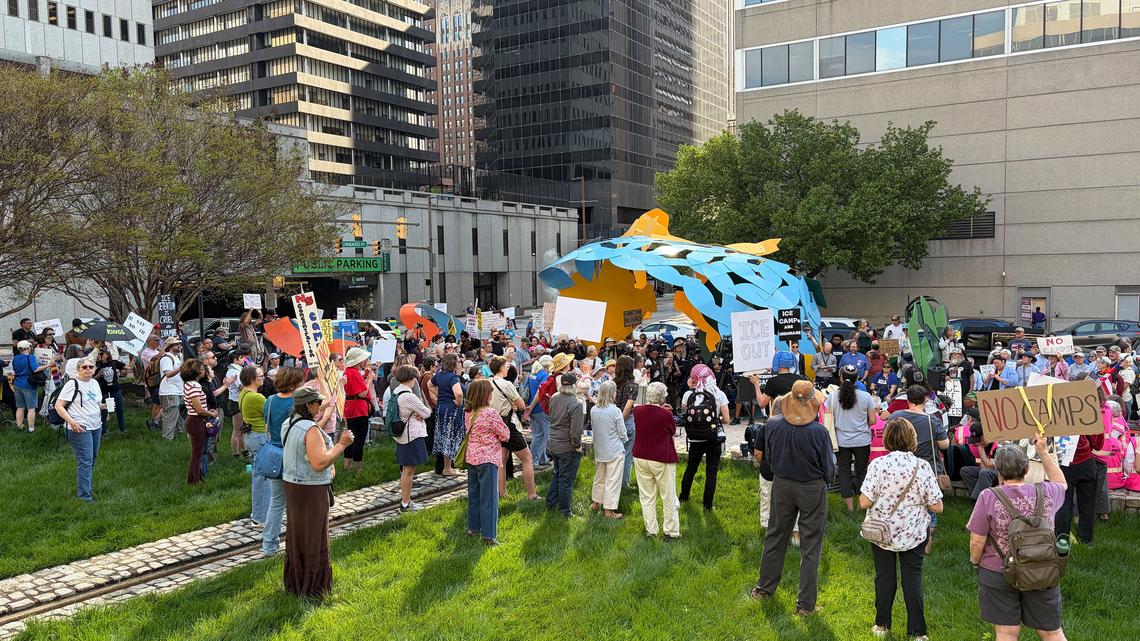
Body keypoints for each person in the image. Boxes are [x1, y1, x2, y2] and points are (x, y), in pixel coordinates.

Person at [967, 439, 1067, 641]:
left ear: (998, 470)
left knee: (1006, 633)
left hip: (999, 570)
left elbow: (977, 541)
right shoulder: (1046, 492)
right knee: (1051, 632)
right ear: (1027, 467)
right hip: (1042, 567)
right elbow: (1061, 483)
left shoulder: (988, 496)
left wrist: (976, 562)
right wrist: (1043, 452)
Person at [751, 380, 835, 615]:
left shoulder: (773, 424)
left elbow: (766, 456)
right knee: (810, 546)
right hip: (810, 488)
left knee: (775, 536)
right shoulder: (819, 432)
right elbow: (829, 468)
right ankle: (805, 605)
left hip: (782, 485)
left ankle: (764, 589)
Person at [859, 418, 944, 639]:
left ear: (887, 438)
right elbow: (937, 505)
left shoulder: (877, 465)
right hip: (914, 532)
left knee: (884, 577)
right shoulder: (922, 466)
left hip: (881, 532)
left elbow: (864, 502)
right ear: (912, 439)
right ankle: (917, 632)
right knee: (912, 579)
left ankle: (881, 625)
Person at [282, 387, 354, 598]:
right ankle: (313, 587)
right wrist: (341, 445)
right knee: (314, 535)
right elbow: (319, 462)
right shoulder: (309, 429)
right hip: (310, 489)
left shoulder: (289, 423)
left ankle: (296, 583)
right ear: (308, 405)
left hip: (293, 486)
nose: (319, 405)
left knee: (298, 534)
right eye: (316, 402)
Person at [889, 385, 949, 553]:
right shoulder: (933, 421)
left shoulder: (896, 416)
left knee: (902, 501)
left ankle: (902, 535)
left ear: (907, 400)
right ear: (926, 400)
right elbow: (944, 444)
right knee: (930, 505)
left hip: (900, 467)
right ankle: (927, 544)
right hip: (927, 468)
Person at [261, 367, 307, 556]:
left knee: (277, 501)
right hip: (292, 453)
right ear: (295, 384)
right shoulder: (296, 403)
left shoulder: (270, 400)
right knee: (298, 501)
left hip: (274, 453)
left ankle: (269, 544)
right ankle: (300, 541)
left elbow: (267, 421)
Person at [825, 364, 879, 512]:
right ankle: (862, 506)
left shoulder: (833, 396)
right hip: (862, 440)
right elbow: (873, 421)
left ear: (841, 378)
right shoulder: (866, 396)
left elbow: (829, 415)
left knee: (844, 472)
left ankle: (849, 508)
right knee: (862, 471)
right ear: (857, 379)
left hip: (841, 441)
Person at [464, 379, 511, 545]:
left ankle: (473, 528)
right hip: (488, 458)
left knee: (474, 494)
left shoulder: (469, 412)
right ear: (486, 395)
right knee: (489, 497)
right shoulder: (490, 413)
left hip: (471, 457)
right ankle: (489, 535)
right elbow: (505, 435)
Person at [487, 356, 540, 500]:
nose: (508, 368)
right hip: (508, 425)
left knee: (501, 460)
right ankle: (532, 494)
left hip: (493, 424)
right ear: (501, 368)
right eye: (506, 366)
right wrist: (514, 405)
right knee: (527, 458)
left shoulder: (486, 382)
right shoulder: (506, 384)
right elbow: (521, 405)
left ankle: (501, 493)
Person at [633, 382, 680, 539]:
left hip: (640, 455)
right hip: (661, 457)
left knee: (646, 495)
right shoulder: (666, 415)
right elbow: (672, 431)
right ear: (662, 398)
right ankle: (671, 531)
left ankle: (651, 530)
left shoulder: (638, 411)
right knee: (668, 495)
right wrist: (662, 409)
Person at [54, 358, 105, 502]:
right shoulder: (72, 384)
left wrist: (104, 406)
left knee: (92, 459)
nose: (88, 369)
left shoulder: (95, 383)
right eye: (84, 367)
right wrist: (72, 423)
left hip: (96, 426)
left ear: (95, 369)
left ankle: (85, 486)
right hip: (79, 427)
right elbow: (59, 406)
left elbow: (95, 403)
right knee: (86, 461)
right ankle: (85, 497)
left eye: (91, 366)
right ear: (78, 370)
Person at [391, 365, 432, 512]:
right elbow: (427, 413)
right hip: (411, 435)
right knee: (409, 471)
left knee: (406, 470)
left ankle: (406, 501)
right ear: (411, 378)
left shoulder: (397, 391)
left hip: (403, 435)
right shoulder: (409, 396)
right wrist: (420, 411)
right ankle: (405, 503)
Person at [546, 373, 585, 517]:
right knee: (566, 480)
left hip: (554, 443)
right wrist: (577, 446)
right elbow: (576, 432)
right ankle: (565, 511)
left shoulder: (554, 398)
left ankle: (551, 504)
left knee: (557, 474)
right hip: (567, 446)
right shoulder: (576, 404)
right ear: (575, 386)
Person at [1056, 429, 1104, 546]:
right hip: (1085, 461)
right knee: (1087, 505)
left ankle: (1062, 541)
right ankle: (1086, 540)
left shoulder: (1055, 413)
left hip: (1063, 463)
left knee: (1063, 505)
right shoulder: (1089, 413)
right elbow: (1098, 445)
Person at [590, 380, 629, 519]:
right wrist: (624, 439)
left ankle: (595, 502)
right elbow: (622, 432)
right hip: (614, 449)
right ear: (612, 394)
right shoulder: (615, 410)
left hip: (600, 448)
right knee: (613, 480)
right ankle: (609, 510)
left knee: (599, 477)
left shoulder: (594, 409)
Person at [181, 359, 216, 485]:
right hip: (196, 420)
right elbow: (199, 409)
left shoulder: (188, 384)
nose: (203, 370)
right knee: (197, 453)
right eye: (201, 368)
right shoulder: (195, 386)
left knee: (197, 451)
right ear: (196, 371)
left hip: (193, 420)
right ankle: (194, 480)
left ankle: (197, 477)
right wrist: (211, 413)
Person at [431, 353, 466, 476]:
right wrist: (458, 402)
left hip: (441, 408)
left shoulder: (439, 375)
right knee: (450, 436)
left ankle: (444, 466)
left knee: (442, 435)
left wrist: (439, 394)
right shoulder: (453, 377)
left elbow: (429, 384)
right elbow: (459, 393)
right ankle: (447, 468)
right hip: (451, 410)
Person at [341, 347, 374, 473]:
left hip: (350, 407)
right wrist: (369, 380)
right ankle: (358, 470)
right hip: (358, 409)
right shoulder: (353, 373)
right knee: (359, 440)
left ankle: (346, 466)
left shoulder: (348, 371)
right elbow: (362, 393)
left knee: (350, 438)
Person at [12, 340, 48, 433]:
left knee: (20, 407)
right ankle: (31, 428)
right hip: (28, 384)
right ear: (28, 348)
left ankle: (19, 426)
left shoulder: (15, 357)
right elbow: (35, 369)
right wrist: (48, 365)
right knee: (31, 408)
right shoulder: (30, 357)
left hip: (17, 384)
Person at [613, 355, 639, 487]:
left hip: (610, 418)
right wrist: (620, 422)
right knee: (627, 454)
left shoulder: (613, 383)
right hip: (625, 420)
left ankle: (612, 482)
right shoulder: (633, 386)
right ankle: (623, 484)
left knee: (613, 454)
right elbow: (628, 407)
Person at [525, 355, 553, 468]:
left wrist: (528, 407)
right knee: (542, 435)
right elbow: (539, 392)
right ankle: (533, 461)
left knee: (537, 434)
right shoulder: (545, 376)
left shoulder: (532, 375)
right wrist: (531, 406)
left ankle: (543, 459)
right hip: (540, 408)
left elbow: (525, 390)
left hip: (532, 409)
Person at [155, 337, 185, 440]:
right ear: (171, 347)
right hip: (169, 391)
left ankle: (178, 434)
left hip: (177, 390)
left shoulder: (176, 357)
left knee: (178, 414)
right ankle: (167, 438)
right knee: (170, 415)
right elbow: (168, 374)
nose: (180, 346)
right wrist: (181, 367)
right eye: (177, 344)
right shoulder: (167, 358)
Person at [95, 348, 127, 434]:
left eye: (103, 353)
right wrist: (98, 375)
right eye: (100, 354)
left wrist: (134, 358)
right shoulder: (97, 365)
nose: (101, 355)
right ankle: (103, 431)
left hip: (115, 390)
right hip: (104, 391)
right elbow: (92, 379)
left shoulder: (114, 363)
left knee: (119, 409)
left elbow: (128, 367)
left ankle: (122, 428)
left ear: (108, 355)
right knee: (104, 412)